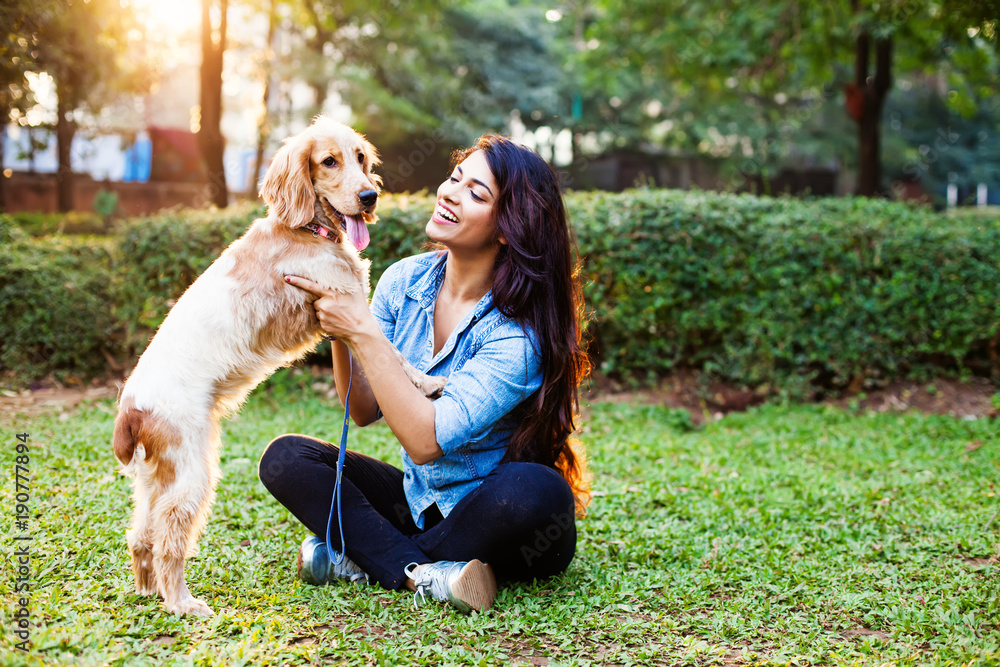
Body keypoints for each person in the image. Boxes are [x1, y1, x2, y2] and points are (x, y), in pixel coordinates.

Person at [259, 135, 590, 613]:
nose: (450, 193)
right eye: (455, 178)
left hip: (495, 513)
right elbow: (362, 408)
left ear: (507, 228)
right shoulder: (403, 281)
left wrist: (363, 330)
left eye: (476, 194)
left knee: (536, 489)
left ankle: (369, 560)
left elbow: (425, 442)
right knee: (287, 458)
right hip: (417, 504)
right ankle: (428, 574)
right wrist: (338, 319)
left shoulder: (518, 336)